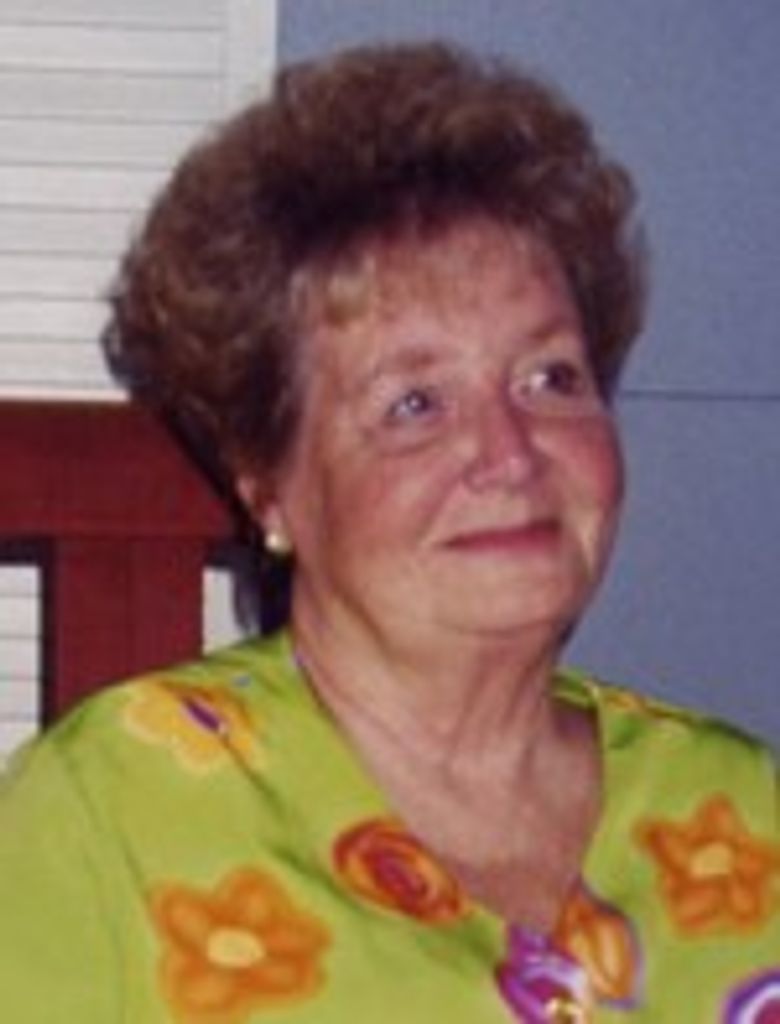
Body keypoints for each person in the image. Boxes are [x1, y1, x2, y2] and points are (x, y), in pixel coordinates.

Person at [0, 41, 777, 1024]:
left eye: (550, 378)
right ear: (269, 486)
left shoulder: (745, 812)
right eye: (415, 403)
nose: (510, 454)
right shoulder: (106, 819)